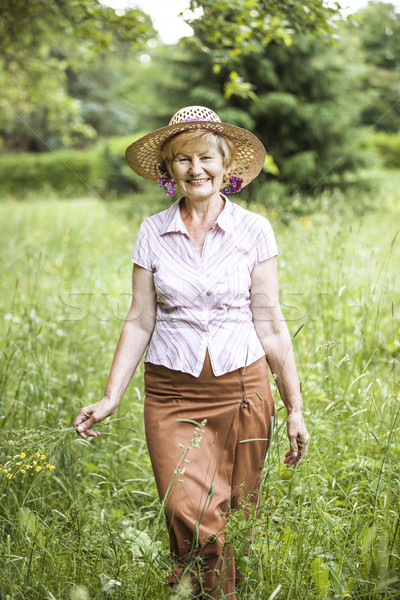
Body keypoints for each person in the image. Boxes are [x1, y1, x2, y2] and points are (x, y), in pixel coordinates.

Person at [73, 106, 310, 599]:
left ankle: (208, 592)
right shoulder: (151, 232)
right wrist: (110, 395)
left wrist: (295, 407)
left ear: (227, 167)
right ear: (168, 169)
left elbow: (270, 321)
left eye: (206, 157)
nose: (195, 169)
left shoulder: (255, 231)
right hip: (172, 393)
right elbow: (140, 319)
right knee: (189, 510)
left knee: (237, 513)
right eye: (183, 159)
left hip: (243, 389)